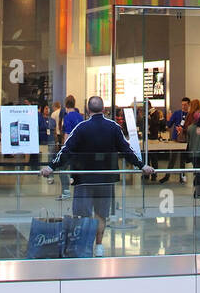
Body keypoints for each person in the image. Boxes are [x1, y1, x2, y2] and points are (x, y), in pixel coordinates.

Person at [42, 96, 154, 257]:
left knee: (83, 214)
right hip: (105, 178)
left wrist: (51, 167)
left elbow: (66, 150)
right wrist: (142, 165)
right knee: (101, 214)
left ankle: (83, 246)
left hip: (84, 178)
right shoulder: (113, 127)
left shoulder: (81, 128)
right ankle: (99, 246)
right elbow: (126, 150)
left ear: (88, 110)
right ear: (103, 109)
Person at [57, 95, 83, 199]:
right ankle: (79, 192)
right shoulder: (80, 116)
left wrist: (64, 147)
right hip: (80, 148)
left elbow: (67, 134)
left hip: (71, 148)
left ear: (65, 104)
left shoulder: (67, 117)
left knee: (62, 169)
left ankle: (66, 192)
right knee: (77, 170)